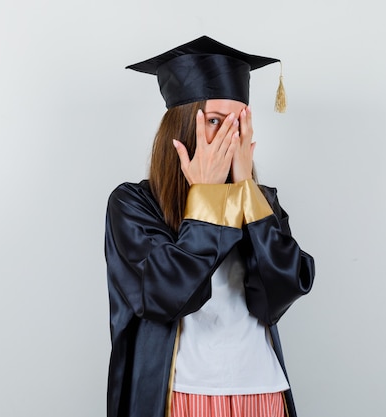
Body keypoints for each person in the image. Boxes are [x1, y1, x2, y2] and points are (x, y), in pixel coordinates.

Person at [104, 36, 315, 417]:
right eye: (215, 121)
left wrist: (246, 192)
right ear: (182, 130)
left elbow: (281, 293)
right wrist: (205, 197)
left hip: (262, 391)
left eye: (238, 123)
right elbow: (168, 296)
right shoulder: (133, 204)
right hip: (178, 393)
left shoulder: (259, 202)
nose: (226, 137)